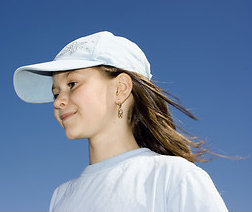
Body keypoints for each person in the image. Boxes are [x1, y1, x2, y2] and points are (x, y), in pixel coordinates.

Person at [13, 31, 228, 211]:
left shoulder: (175, 178)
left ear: (120, 88)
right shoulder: (60, 198)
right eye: (55, 92)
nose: (59, 101)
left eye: (72, 84)